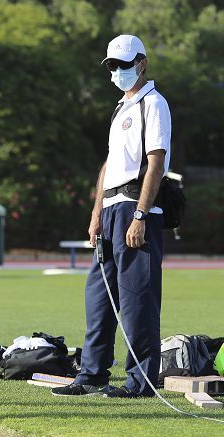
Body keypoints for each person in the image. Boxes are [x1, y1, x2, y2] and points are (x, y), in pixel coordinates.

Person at [52, 34, 172, 398]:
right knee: (99, 298)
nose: (117, 71)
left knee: (137, 300)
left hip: (137, 209)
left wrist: (140, 214)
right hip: (109, 210)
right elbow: (108, 165)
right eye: (112, 66)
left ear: (142, 63)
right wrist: (95, 213)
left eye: (123, 64)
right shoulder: (121, 107)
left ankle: (141, 382)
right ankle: (93, 374)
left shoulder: (154, 103)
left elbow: (156, 163)